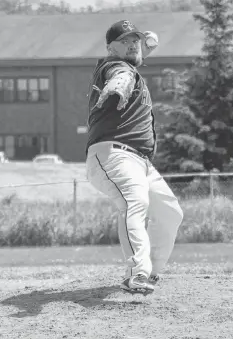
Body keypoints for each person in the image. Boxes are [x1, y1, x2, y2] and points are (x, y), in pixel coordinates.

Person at [85, 20, 184, 296]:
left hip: (140, 162)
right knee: (134, 202)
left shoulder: (131, 61)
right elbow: (122, 74)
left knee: (170, 213)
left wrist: (146, 43)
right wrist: (118, 85)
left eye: (135, 40)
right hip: (112, 154)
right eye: (125, 41)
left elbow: (141, 51)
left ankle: (150, 272)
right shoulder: (114, 67)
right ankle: (136, 272)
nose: (133, 44)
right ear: (109, 48)